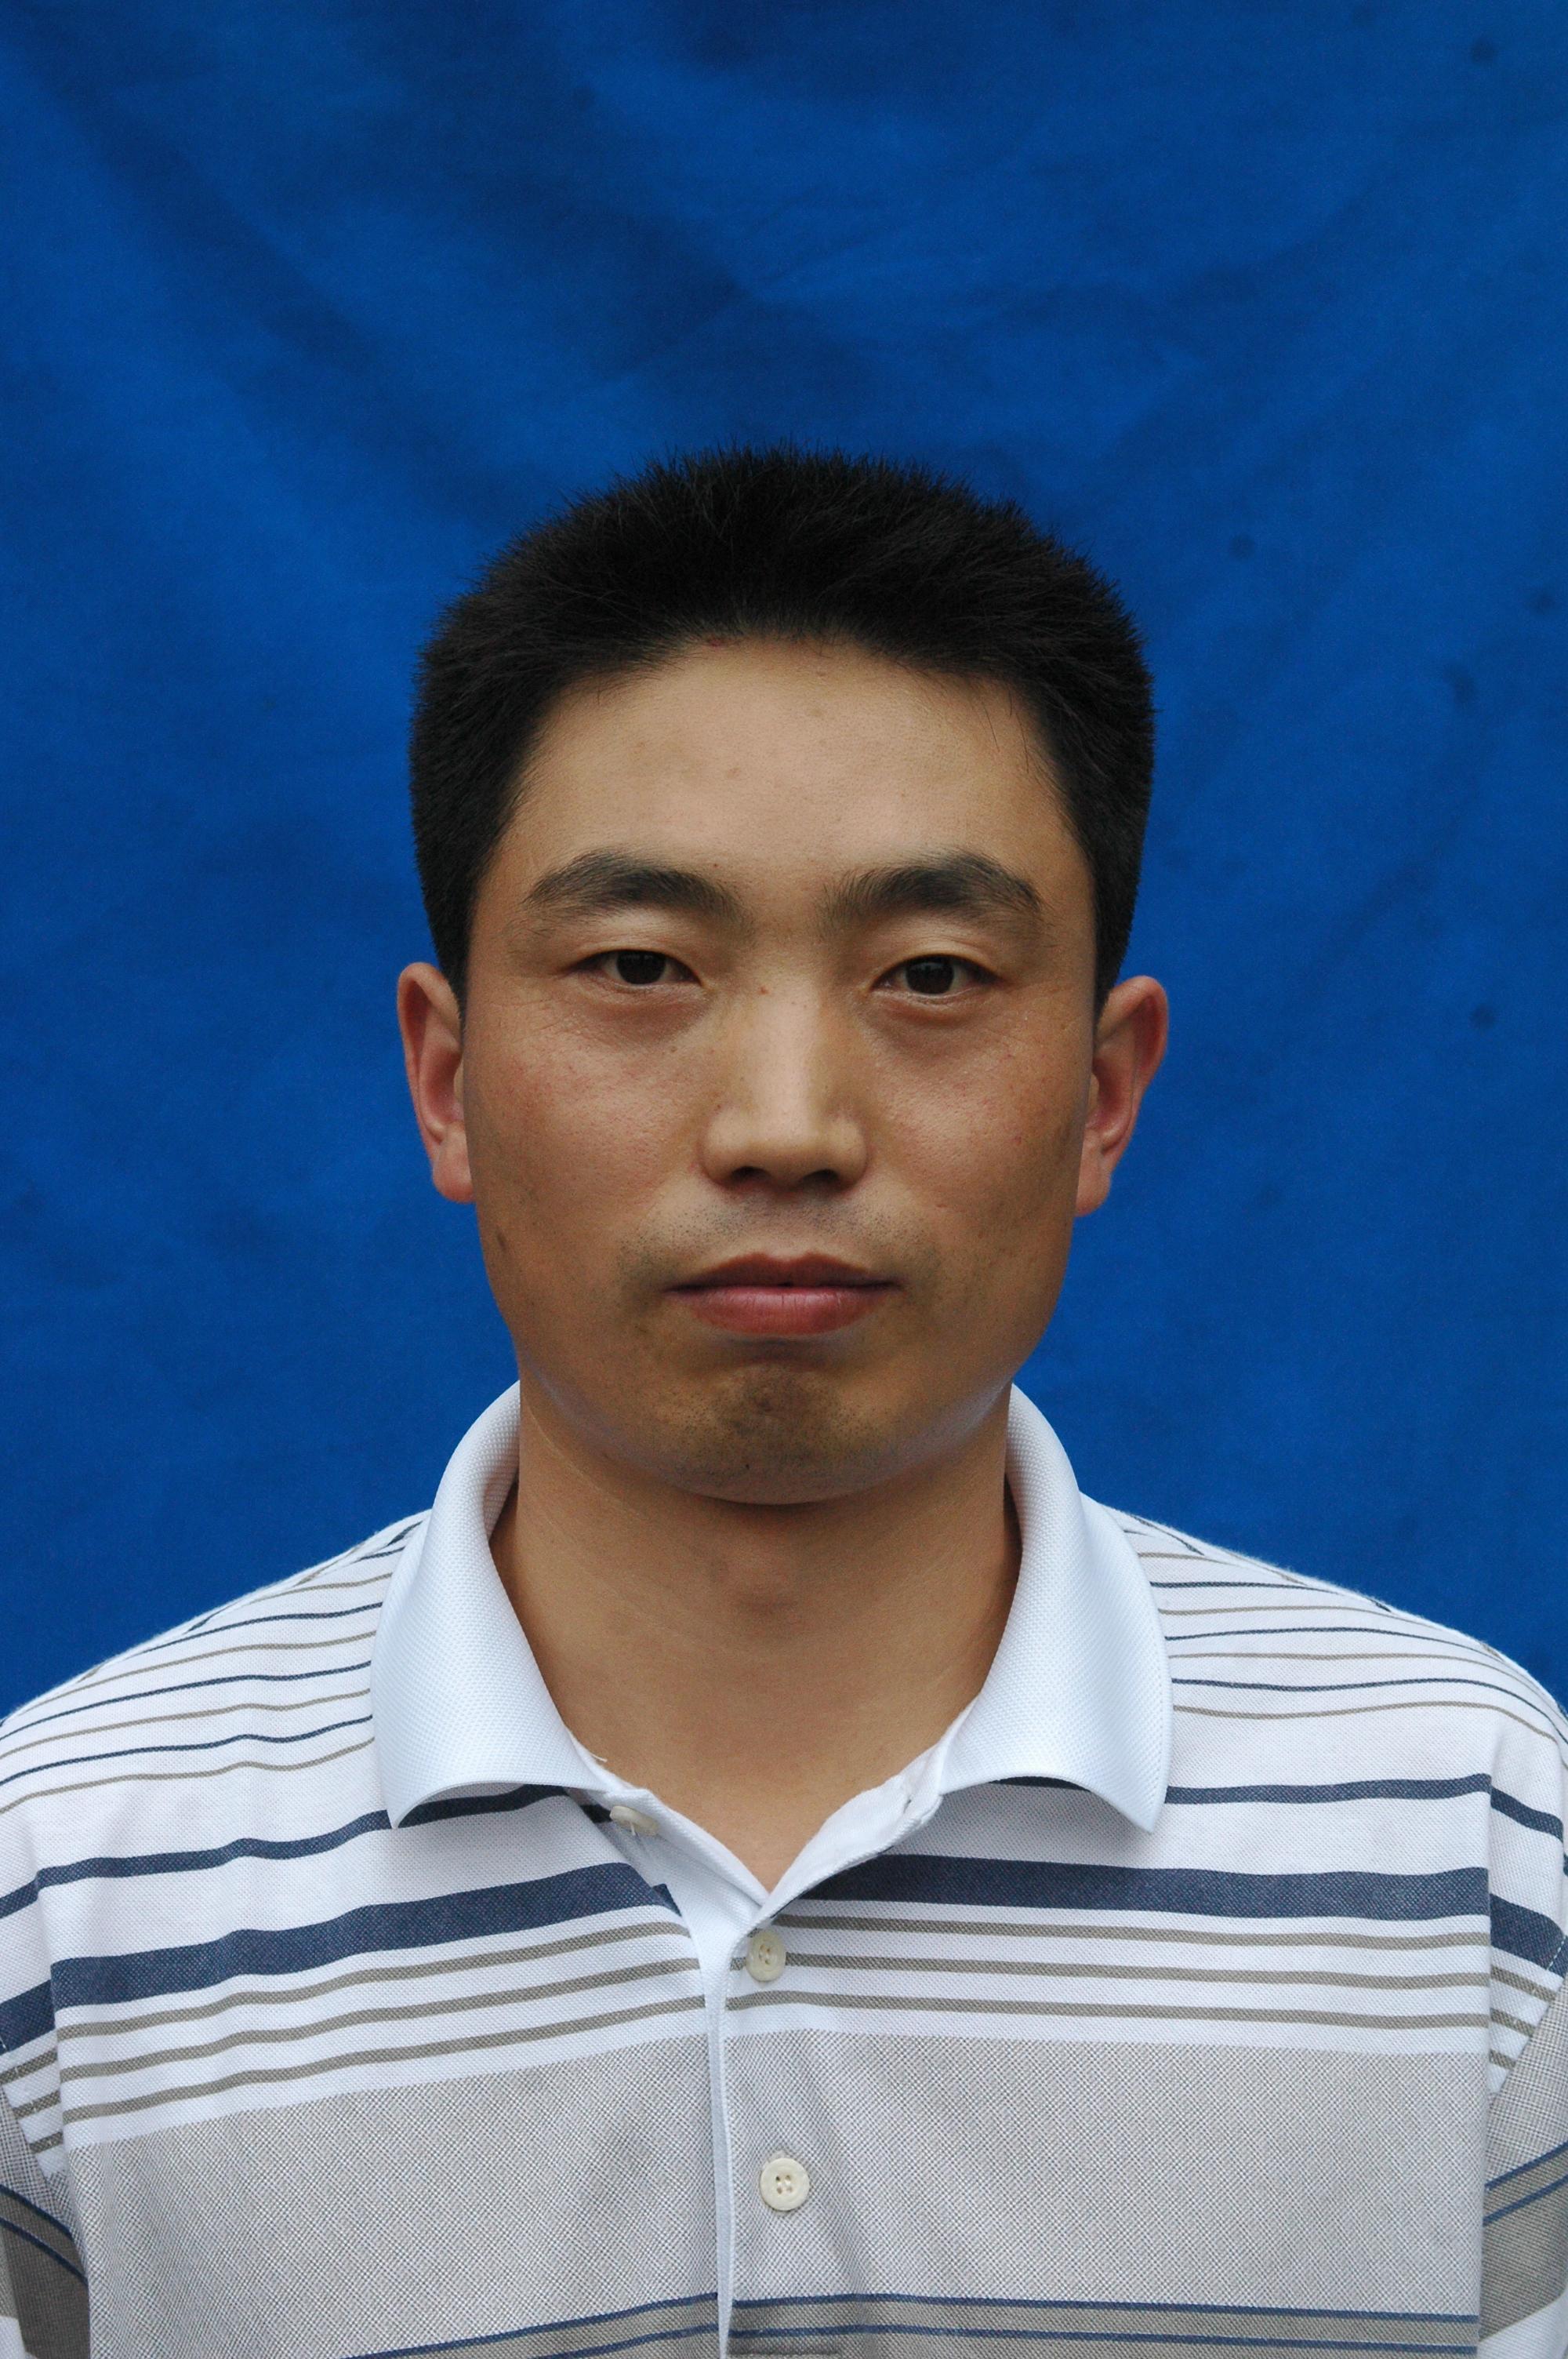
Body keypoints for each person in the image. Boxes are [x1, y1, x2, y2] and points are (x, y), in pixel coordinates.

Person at [2, 446, 1563, 2359]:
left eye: (932, 974)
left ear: (1103, 1094)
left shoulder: (1476, 1853)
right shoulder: (63, 1897)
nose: (786, 1125)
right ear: (445, 1080)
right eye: (640, 965)